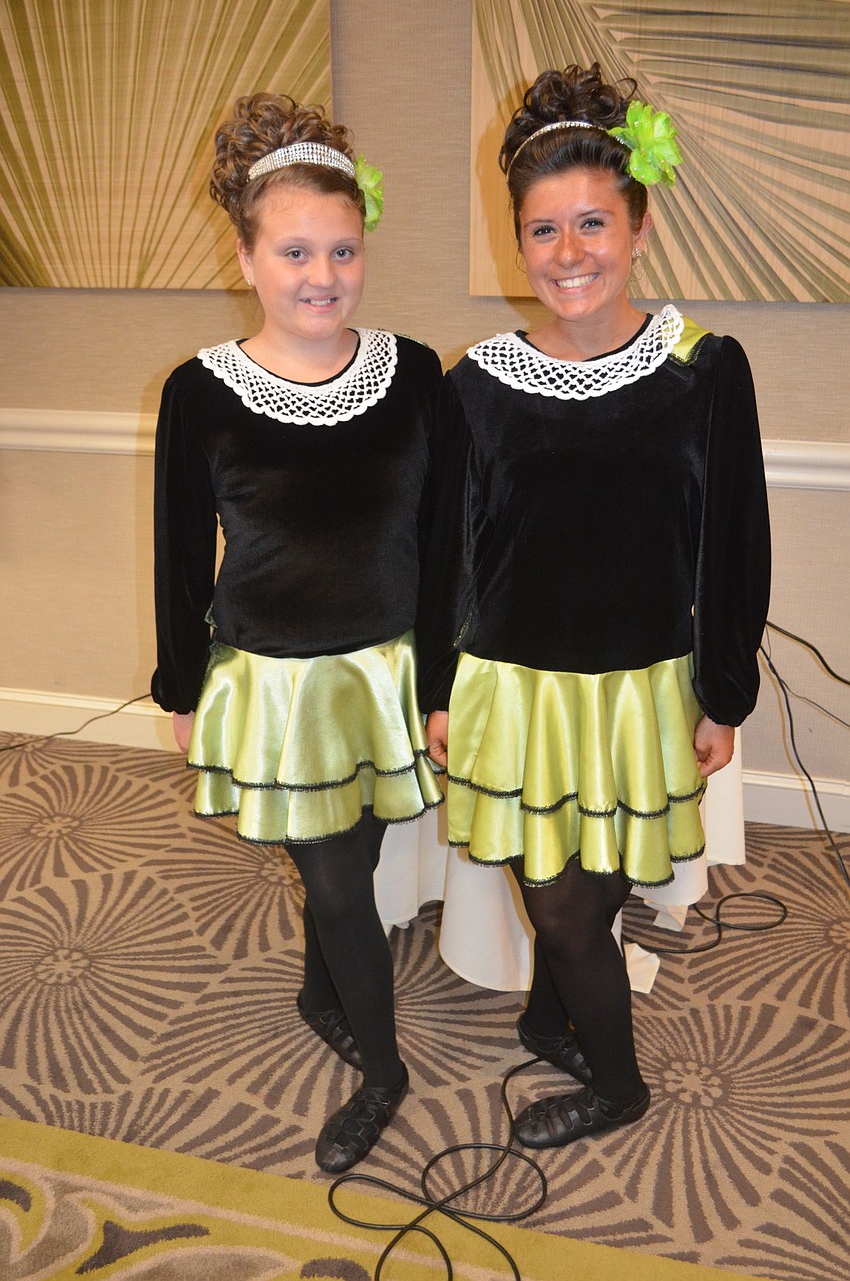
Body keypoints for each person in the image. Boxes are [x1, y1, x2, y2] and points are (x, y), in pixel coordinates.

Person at [417, 64, 770, 1149]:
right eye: (541, 230)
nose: (568, 254)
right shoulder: (473, 382)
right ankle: (592, 1050)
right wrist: (436, 689)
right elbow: (444, 554)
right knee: (562, 906)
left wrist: (722, 691)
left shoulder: (703, 371)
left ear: (639, 223)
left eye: (590, 224)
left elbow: (734, 545)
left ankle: (582, 1050)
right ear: (512, 237)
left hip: (640, 686)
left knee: (597, 885)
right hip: (516, 687)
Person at [151, 93, 443, 1173]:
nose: (320, 273)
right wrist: (181, 685)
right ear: (245, 252)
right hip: (273, 677)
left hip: (384, 670)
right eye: (293, 250)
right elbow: (180, 552)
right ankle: (386, 1068)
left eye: (342, 249)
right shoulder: (199, 392)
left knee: (353, 860)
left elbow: (445, 542)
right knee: (327, 879)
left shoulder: (414, 375)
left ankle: (323, 984)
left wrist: (445, 677)